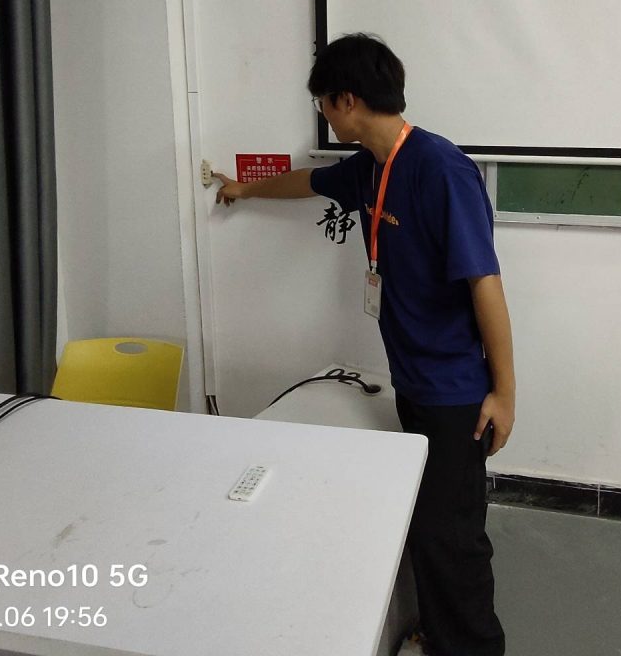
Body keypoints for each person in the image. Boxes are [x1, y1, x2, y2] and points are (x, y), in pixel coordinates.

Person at [213, 33, 514, 656]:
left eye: (323, 102)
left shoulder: (441, 170)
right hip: (412, 378)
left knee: (452, 534)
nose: (322, 114)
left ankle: (473, 648)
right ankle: (438, 631)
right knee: (427, 522)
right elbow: (308, 183)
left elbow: (485, 283)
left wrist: (504, 394)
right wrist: (243, 189)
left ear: (347, 100)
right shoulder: (372, 166)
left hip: (453, 389)